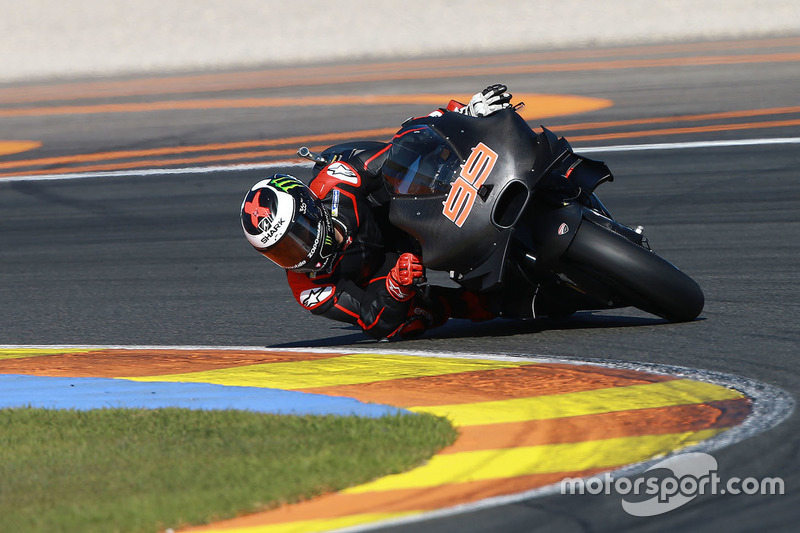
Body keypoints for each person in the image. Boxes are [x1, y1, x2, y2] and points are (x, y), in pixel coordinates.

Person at [240, 85, 513, 340]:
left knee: (411, 169)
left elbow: (404, 147)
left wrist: (465, 115)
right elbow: (371, 322)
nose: (298, 253)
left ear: (310, 208)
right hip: (389, 270)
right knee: (401, 326)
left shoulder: (337, 181)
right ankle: (479, 303)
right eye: (282, 252)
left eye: (298, 235)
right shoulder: (309, 289)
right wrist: (397, 288)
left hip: (409, 214)